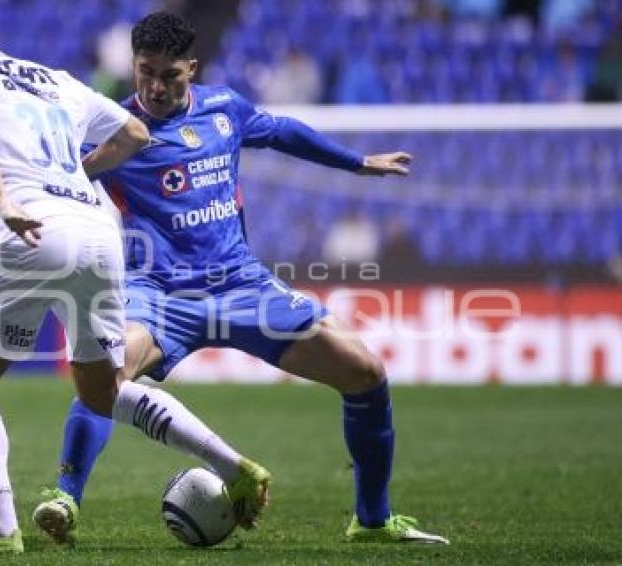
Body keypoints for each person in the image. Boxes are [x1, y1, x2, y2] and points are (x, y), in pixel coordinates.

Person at [36, 12, 449, 545]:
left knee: (365, 373)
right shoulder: (116, 131)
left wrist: (358, 162)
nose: (156, 87)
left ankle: (372, 521)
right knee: (105, 379)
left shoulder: (223, 109)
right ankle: (65, 497)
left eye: (170, 75)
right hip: (160, 297)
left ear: (192, 68)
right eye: (145, 73)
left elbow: (281, 132)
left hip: (242, 288)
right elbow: (62, 179)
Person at [0, 25, 269, 557]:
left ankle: (1, 528)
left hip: (29, 229)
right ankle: (235, 467)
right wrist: (76, 175)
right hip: (99, 234)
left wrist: (3, 195)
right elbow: (136, 134)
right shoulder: (53, 80)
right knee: (103, 391)